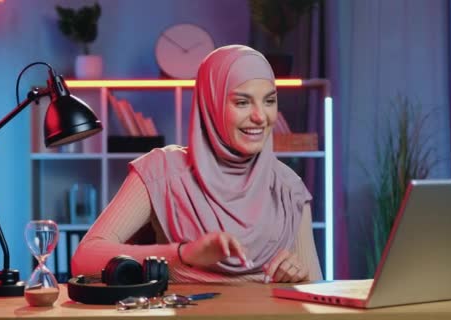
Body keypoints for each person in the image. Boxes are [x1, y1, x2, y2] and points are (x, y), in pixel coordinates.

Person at [71, 44, 322, 283]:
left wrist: (298, 275)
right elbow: (84, 258)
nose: (260, 117)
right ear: (210, 104)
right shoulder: (161, 171)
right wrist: (183, 254)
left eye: (269, 101)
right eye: (242, 102)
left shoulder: (288, 188)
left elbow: (318, 291)